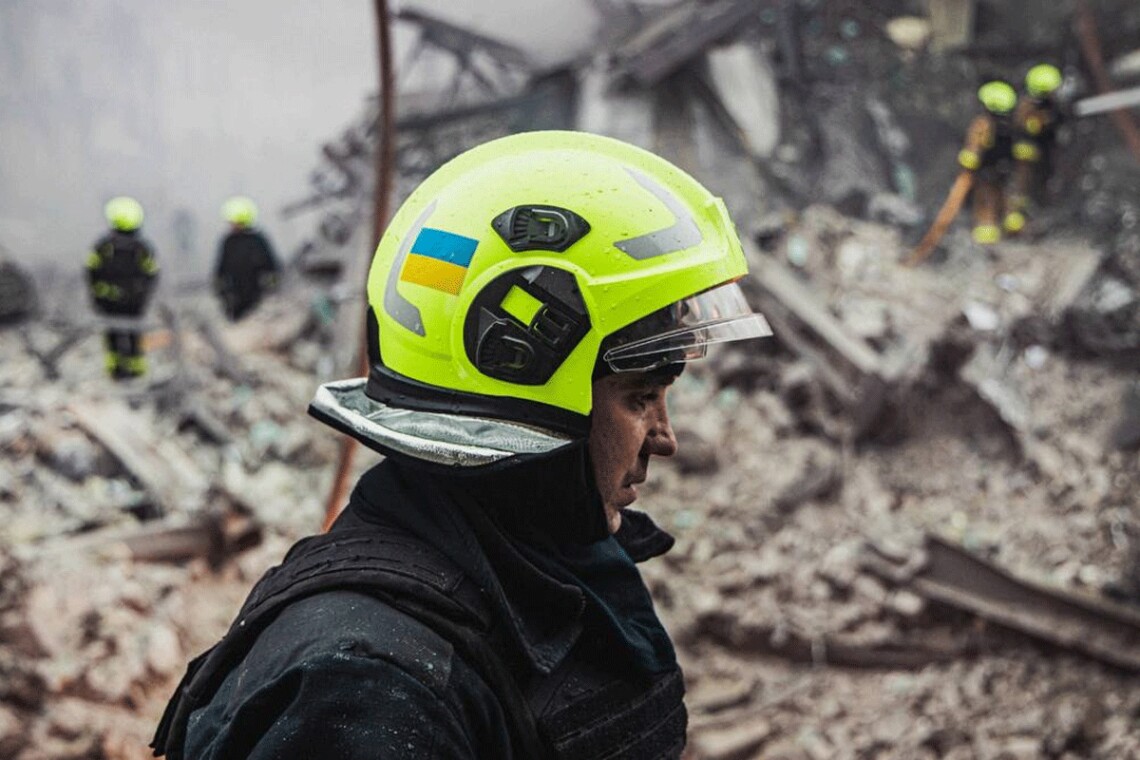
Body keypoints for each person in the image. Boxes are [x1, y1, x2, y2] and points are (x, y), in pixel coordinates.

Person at [152, 131, 773, 759]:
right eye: (640, 397)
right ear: (520, 374)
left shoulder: (539, 568)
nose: (666, 438)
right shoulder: (368, 691)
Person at [85, 196, 158, 380]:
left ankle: (117, 370)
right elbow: (152, 274)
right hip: (134, 302)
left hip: (109, 301)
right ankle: (135, 370)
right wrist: (141, 294)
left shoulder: (103, 246)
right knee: (133, 335)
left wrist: (99, 294)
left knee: (113, 334)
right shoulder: (141, 248)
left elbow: (91, 271)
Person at [957, 80, 1019, 244]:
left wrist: (968, 161)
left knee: (986, 198)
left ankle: (987, 228)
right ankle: (1011, 223)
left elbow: (974, 147)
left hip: (986, 168)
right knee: (1006, 195)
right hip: (1006, 167)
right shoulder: (1010, 124)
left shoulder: (982, 123)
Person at [1009, 63, 1064, 219]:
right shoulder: (1029, 104)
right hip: (1027, 148)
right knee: (1023, 181)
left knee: (1040, 180)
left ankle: (1034, 210)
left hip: (1041, 151)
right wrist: (1045, 120)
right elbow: (1028, 125)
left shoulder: (1050, 106)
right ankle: (1015, 214)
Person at [213, 196, 280, 321]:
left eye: (233, 221)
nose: (232, 224)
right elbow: (221, 271)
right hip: (235, 300)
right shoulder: (229, 242)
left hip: (258, 299)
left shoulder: (257, 241)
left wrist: (271, 292)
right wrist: (223, 293)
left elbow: (271, 269)